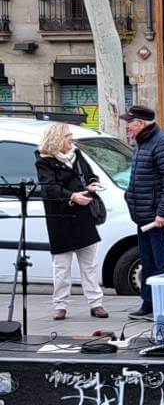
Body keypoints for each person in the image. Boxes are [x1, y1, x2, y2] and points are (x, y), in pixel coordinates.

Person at [34, 123, 108, 320]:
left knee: (89, 265)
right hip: (61, 219)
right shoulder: (44, 161)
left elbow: (90, 174)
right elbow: (49, 188)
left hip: (84, 216)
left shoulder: (77, 155)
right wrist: (72, 196)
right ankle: (60, 305)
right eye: (67, 136)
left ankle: (96, 303)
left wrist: (92, 184)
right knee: (61, 267)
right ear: (57, 139)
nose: (71, 139)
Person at [121, 105, 164, 321]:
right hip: (144, 215)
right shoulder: (142, 143)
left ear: (141, 123)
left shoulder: (161, 143)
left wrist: (163, 213)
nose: (127, 126)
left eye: (129, 122)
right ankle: (148, 302)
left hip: (157, 218)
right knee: (147, 259)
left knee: (162, 261)